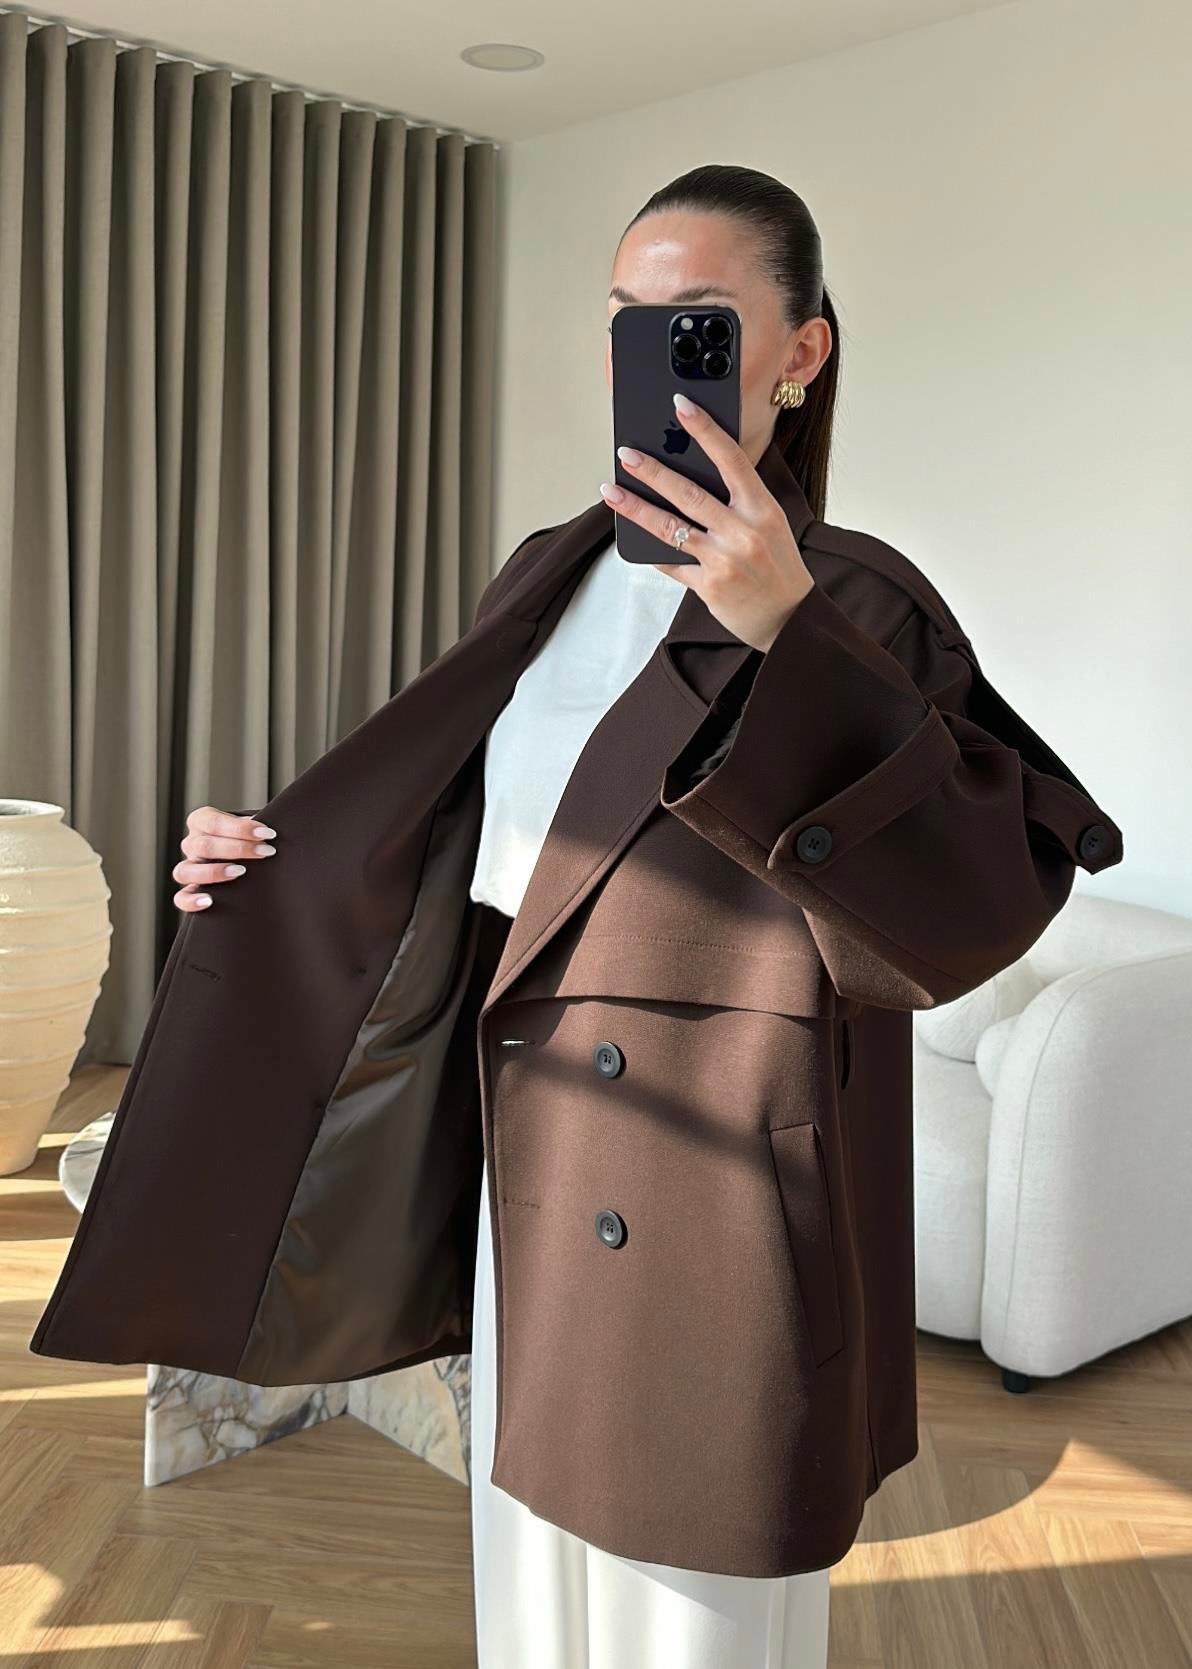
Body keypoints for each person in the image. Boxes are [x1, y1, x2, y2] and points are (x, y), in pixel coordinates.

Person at [162, 162, 1063, 1666]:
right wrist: (270, 860)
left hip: (725, 1187)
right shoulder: (548, 573)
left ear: (798, 352)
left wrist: (787, 631)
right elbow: (480, 845)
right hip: (535, 1144)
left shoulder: (862, 603)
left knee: (692, 1615)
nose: (652, 355)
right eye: (627, 323)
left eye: (696, 321)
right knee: (534, 1594)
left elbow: (971, 906)